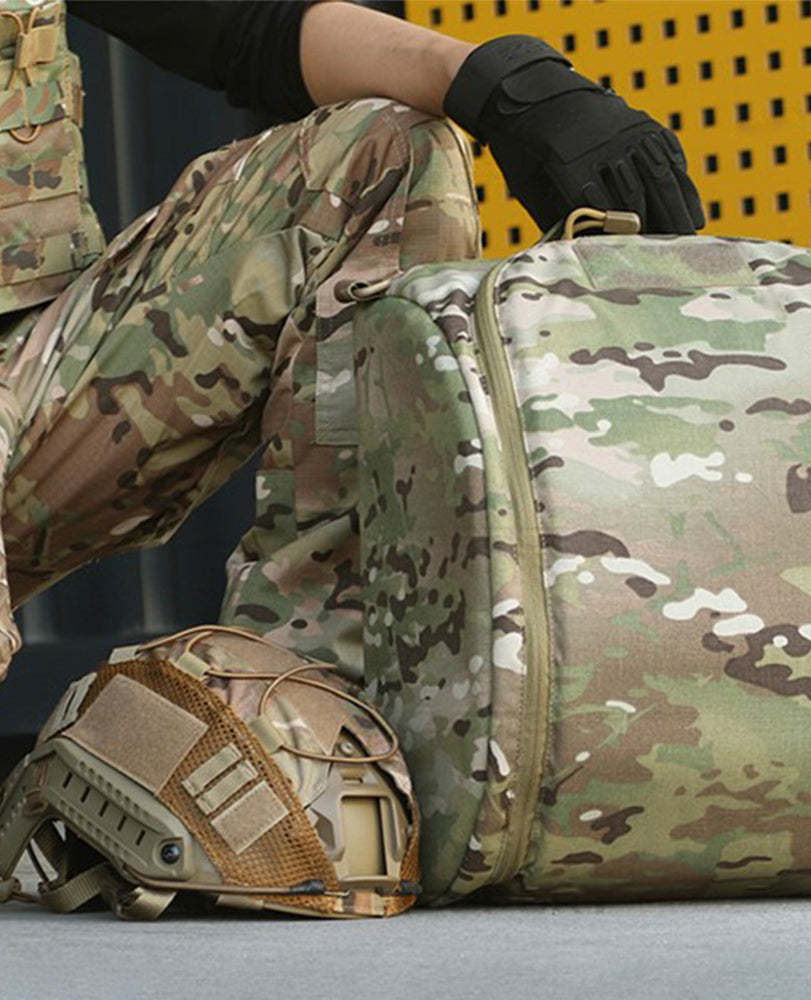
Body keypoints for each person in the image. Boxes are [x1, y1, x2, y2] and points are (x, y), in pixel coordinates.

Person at [0, 0, 704, 686]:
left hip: (36, 384)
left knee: (389, 149)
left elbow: (252, 27)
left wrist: (502, 84)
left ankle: (304, 695)